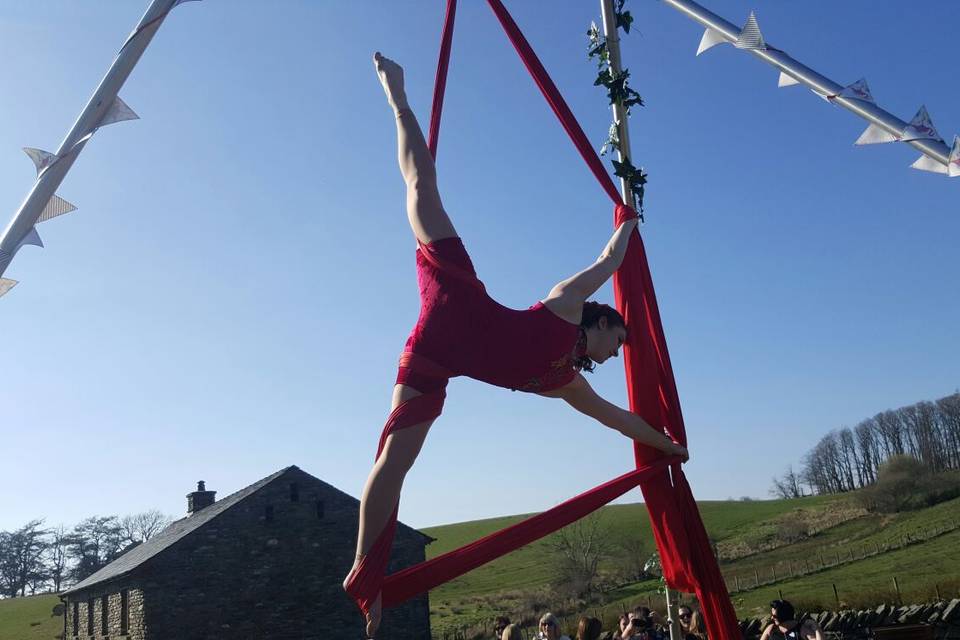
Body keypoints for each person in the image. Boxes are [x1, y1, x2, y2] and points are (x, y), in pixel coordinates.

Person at [343, 52, 689, 637]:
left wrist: (670, 447)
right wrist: (630, 213)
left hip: (436, 348)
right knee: (420, 182)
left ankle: (364, 574)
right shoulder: (565, 306)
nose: (614, 352)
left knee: (394, 463)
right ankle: (397, 96)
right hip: (454, 295)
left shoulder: (565, 382)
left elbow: (619, 421)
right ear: (600, 323)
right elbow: (609, 259)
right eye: (618, 340)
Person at [759, 600, 823, 640]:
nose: (772, 618)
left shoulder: (800, 630)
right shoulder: (771, 629)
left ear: (783, 615)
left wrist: (816, 627)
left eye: (774, 616)